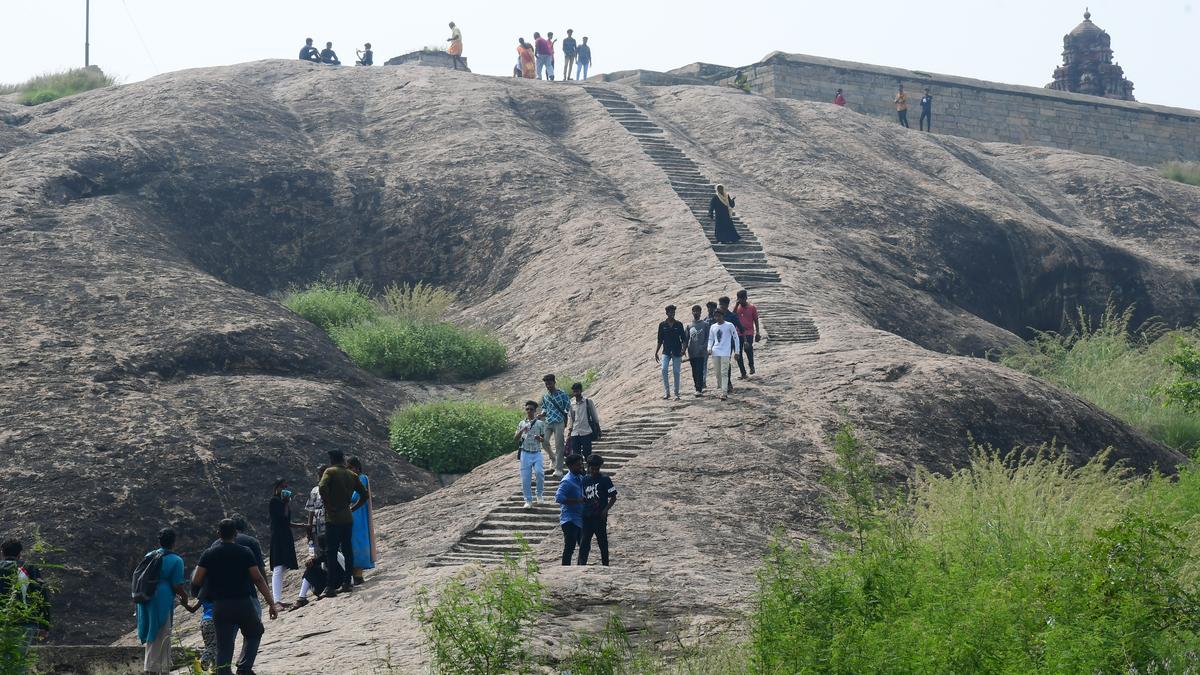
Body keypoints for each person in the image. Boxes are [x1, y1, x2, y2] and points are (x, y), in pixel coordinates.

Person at [192, 519, 279, 675]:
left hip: (220, 606)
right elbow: (257, 579)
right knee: (255, 632)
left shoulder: (209, 553)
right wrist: (271, 603)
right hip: (243, 603)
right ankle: (244, 668)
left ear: (218, 534)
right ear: (235, 533)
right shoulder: (245, 552)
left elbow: (197, 580)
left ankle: (223, 672)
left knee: (224, 645)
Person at [136, 528, 196, 675]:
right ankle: (157, 669)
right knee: (162, 633)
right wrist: (185, 597)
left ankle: (156, 668)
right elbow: (177, 585)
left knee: (152, 631)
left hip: (146, 596)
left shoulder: (150, 555)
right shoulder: (176, 560)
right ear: (174, 542)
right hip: (162, 598)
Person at [318, 449, 367, 596]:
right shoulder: (351, 475)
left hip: (333, 518)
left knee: (331, 552)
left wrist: (328, 505)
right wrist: (353, 508)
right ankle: (347, 583)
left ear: (332, 459)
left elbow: (322, 487)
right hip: (347, 517)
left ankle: (330, 586)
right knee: (347, 550)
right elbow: (364, 495)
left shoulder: (330, 472)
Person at [0, 539, 50, 672]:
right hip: (24, 621)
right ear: (19, 554)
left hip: (2, 621)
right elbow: (42, 595)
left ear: (2, 553)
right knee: (18, 660)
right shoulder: (28, 568)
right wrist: (44, 625)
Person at [268, 480, 305, 606]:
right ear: (277, 488)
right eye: (282, 487)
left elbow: (287, 521)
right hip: (278, 536)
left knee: (283, 566)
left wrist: (302, 526)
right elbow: (282, 518)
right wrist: (285, 503)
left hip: (285, 536)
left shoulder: (283, 502)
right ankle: (276, 600)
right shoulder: (274, 501)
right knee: (278, 567)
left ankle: (278, 599)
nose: (284, 490)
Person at [578, 455, 618, 566]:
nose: (594, 471)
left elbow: (613, 497)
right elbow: (583, 496)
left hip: (599, 516)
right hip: (587, 516)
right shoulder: (585, 480)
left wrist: (606, 510)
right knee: (584, 541)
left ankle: (605, 564)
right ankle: (581, 564)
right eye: (592, 469)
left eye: (597, 469)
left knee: (602, 542)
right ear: (588, 467)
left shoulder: (605, 479)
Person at [347, 457, 377, 585]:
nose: (349, 470)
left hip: (358, 514)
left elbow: (355, 496)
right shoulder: (354, 478)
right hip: (355, 513)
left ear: (356, 468)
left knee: (357, 541)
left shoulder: (362, 478)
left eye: (350, 467)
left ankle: (358, 574)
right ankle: (355, 574)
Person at [555, 454, 586, 565]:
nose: (581, 466)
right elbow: (559, 497)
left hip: (580, 518)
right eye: (578, 465)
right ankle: (565, 569)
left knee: (584, 546)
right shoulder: (567, 481)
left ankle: (580, 568)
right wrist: (577, 500)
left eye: (581, 464)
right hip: (569, 519)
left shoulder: (580, 478)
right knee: (570, 546)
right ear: (570, 466)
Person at [515, 400, 547, 509]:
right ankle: (528, 500)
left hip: (536, 452)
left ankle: (539, 494)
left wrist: (539, 438)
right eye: (527, 409)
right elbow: (515, 438)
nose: (529, 411)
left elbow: (543, 439)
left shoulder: (540, 423)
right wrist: (522, 430)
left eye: (531, 409)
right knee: (525, 478)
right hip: (525, 453)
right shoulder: (521, 423)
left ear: (535, 410)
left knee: (539, 473)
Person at [540, 374, 571, 476]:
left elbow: (568, 405)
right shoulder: (545, 396)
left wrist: (565, 415)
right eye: (546, 384)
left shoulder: (562, 394)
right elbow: (544, 407)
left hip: (559, 421)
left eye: (550, 383)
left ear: (554, 382)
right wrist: (542, 413)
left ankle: (558, 469)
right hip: (548, 421)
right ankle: (553, 458)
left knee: (559, 445)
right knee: (544, 441)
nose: (548, 386)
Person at [655, 305, 688, 401]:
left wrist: (683, 349)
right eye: (670, 312)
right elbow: (660, 340)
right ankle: (667, 392)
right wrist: (656, 352)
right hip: (666, 351)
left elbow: (684, 339)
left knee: (676, 372)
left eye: (673, 312)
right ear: (666, 313)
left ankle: (676, 394)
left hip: (677, 351)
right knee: (664, 369)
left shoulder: (679, 324)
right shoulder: (662, 325)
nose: (672, 314)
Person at [707, 309, 740, 400]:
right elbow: (710, 339)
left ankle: (724, 393)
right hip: (715, 351)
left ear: (723, 316)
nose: (717, 318)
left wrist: (737, 351)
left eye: (719, 316)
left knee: (724, 372)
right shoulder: (713, 327)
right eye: (716, 316)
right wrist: (709, 348)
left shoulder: (729, 325)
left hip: (726, 352)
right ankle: (722, 388)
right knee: (718, 373)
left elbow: (736, 338)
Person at [567, 382, 601, 458]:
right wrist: (570, 432)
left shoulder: (588, 402)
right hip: (575, 433)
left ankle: (589, 465)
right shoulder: (572, 404)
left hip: (586, 432)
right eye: (574, 391)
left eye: (577, 391)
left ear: (581, 390)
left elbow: (594, 416)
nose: (575, 393)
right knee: (576, 454)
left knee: (587, 453)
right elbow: (571, 419)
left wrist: (598, 428)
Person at [734, 289, 761, 378]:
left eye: (741, 299)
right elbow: (732, 316)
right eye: (739, 299)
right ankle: (743, 373)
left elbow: (756, 320)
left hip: (749, 332)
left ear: (745, 298)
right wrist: (736, 305)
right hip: (738, 333)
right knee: (738, 352)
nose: (740, 301)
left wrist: (757, 332)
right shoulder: (737, 308)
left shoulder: (752, 307)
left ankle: (751, 365)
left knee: (748, 349)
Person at [686, 304, 710, 396]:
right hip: (692, 352)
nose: (696, 313)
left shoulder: (705, 324)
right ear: (692, 312)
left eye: (697, 311)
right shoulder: (689, 326)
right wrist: (683, 350)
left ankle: (699, 389)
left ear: (700, 312)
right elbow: (686, 339)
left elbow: (708, 338)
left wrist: (703, 347)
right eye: (694, 311)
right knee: (694, 371)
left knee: (700, 370)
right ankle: (697, 387)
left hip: (701, 352)